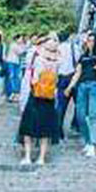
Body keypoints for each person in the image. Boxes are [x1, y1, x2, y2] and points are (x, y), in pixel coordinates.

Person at [19, 34, 61, 166]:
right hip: (49, 95)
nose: (53, 42)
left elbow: (33, 77)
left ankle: (29, 156)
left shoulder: (39, 58)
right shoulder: (57, 59)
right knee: (44, 127)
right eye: (51, 40)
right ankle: (40, 157)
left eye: (55, 40)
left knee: (30, 126)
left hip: (38, 93)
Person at [65, 31, 96, 157]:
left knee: (92, 114)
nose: (89, 43)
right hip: (82, 86)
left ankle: (92, 144)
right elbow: (77, 72)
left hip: (95, 85)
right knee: (80, 115)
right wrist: (70, 87)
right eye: (88, 40)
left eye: (92, 41)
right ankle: (87, 141)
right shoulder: (83, 56)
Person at [55, 31, 77, 141]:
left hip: (60, 78)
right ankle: (75, 125)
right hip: (72, 77)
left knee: (61, 106)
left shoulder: (57, 48)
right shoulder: (73, 47)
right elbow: (77, 61)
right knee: (79, 104)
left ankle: (58, 131)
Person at [4, 34, 27, 101]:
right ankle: (12, 93)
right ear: (17, 39)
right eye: (20, 39)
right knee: (12, 77)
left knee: (16, 77)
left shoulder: (17, 45)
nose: (22, 40)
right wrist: (24, 47)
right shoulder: (13, 45)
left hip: (16, 62)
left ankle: (15, 93)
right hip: (11, 62)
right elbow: (20, 52)